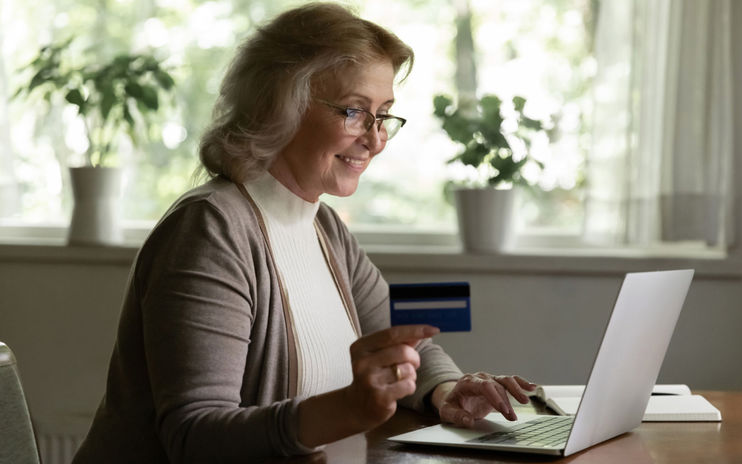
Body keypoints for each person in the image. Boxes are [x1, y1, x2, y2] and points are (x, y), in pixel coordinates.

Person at [72, 3, 536, 463]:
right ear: (281, 106)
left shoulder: (324, 227)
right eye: (355, 112)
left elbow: (404, 343)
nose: (375, 139)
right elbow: (194, 438)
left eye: (384, 114)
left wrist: (448, 390)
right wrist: (348, 408)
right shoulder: (210, 230)